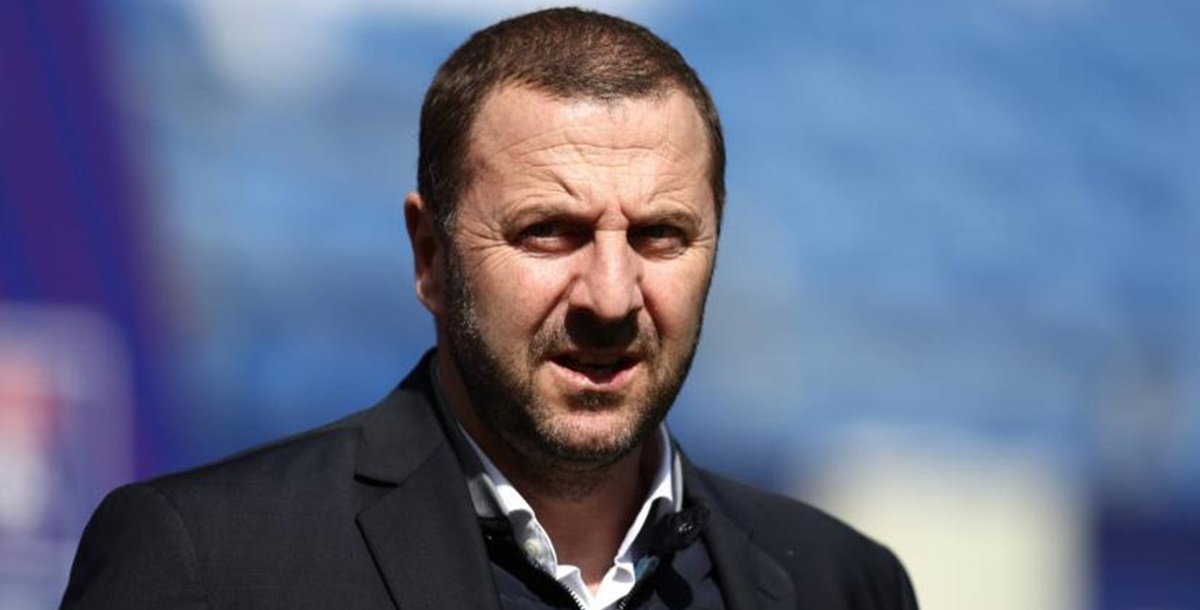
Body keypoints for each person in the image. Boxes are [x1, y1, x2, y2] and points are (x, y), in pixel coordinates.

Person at [61, 8, 918, 610]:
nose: (611, 297)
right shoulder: (208, 563)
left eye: (660, 235)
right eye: (549, 233)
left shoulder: (844, 584)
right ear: (430, 256)